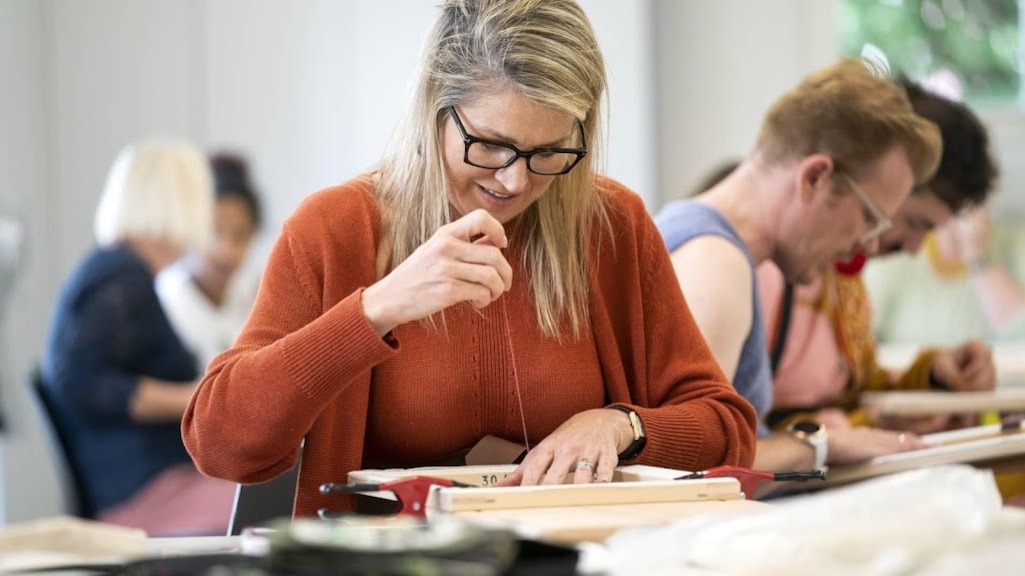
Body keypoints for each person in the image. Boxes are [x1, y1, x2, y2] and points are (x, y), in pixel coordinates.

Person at [182, 0, 757, 518]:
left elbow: (727, 427)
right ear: (435, 105)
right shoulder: (337, 230)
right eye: (490, 144)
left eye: (550, 152)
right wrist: (377, 309)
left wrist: (619, 425)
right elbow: (219, 442)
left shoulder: (611, 225)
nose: (515, 180)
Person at [654, 59, 943, 474]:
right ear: (815, 178)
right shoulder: (715, 265)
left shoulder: (706, 243)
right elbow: (686, 466)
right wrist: (820, 446)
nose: (871, 243)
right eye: (869, 218)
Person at [761, 76, 999, 435]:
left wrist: (935, 375)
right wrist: (864, 426)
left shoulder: (842, 277)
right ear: (890, 185)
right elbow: (739, 431)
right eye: (915, 223)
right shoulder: (778, 265)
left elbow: (852, 391)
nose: (914, 247)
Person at [42, 140, 236, 535]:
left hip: (151, 480)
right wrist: (191, 396)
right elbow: (75, 379)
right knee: (274, 508)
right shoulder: (123, 278)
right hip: (143, 490)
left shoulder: (120, 273)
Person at [157, 153, 263, 372]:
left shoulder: (256, 297)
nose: (226, 251)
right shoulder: (164, 298)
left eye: (239, 236)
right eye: (214, 233)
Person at [865, 206, 1025, 347]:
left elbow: (1019, 332)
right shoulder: (901, 249)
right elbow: (861, 329)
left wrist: (978, 259)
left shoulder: (1016, 243)